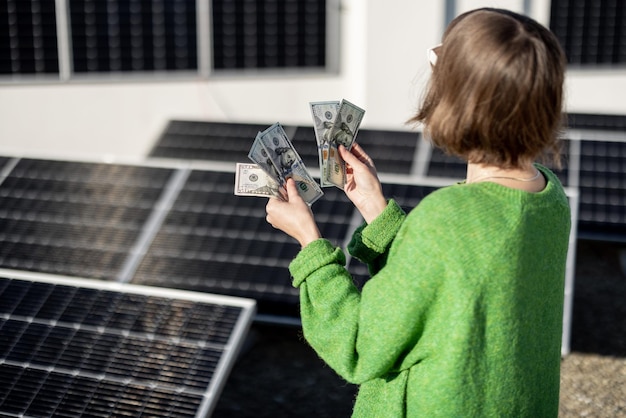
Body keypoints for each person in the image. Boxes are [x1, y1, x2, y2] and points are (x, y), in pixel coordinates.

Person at [265, 7, 571, 417]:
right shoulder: (550, 198)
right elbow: (451, 283)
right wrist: (374, 205)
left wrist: (310, 243)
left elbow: (359, 343)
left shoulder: (448, 217)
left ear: (459, 99)